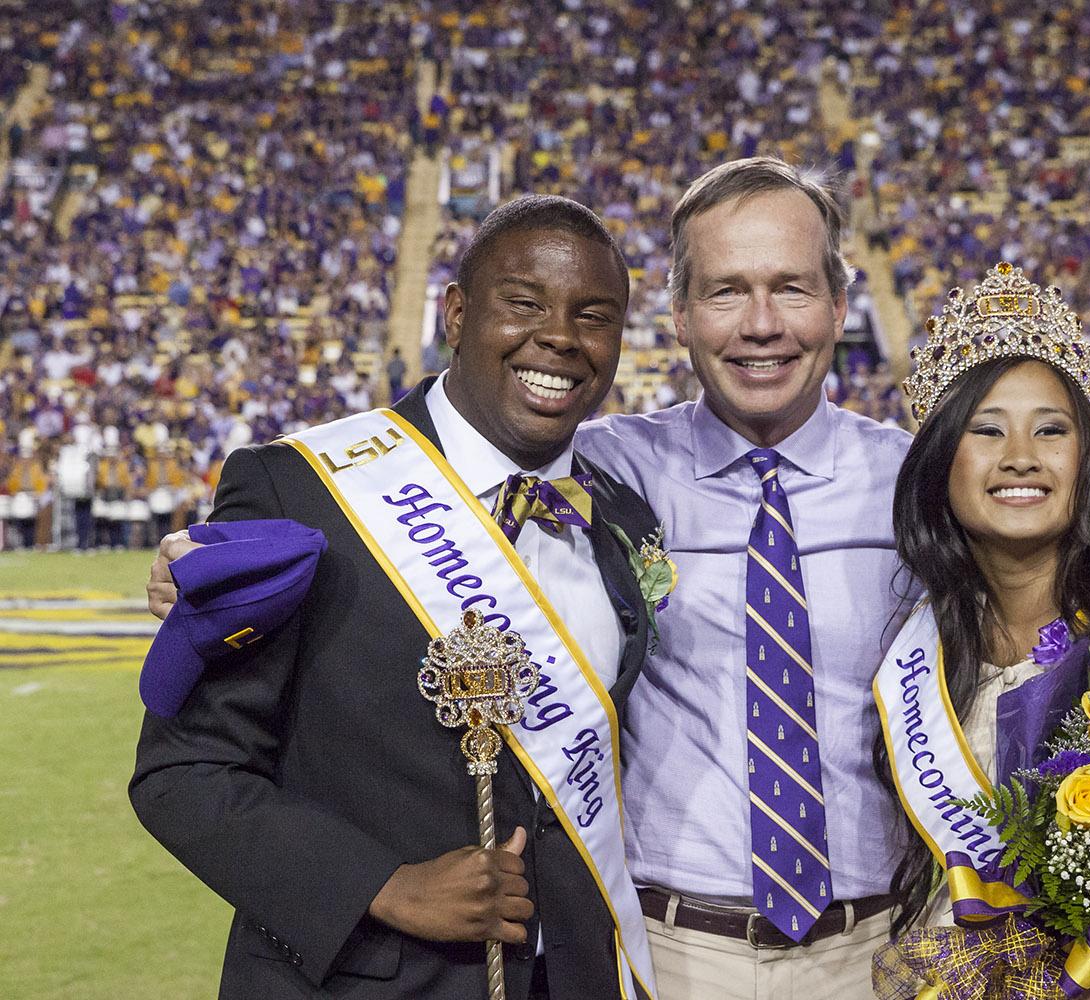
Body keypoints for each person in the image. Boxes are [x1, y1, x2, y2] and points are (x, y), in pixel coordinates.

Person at [131, 195, 662, 999]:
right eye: (523, 303)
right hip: (360, 978)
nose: (559, 336)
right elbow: (183, 772)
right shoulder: (302, 491)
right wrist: (385, 886)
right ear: (454, 312)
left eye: (594, 316)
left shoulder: (620, 517)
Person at [575, 157, 914, 999]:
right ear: (681, 316)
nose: (761, 324)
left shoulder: (917, 486)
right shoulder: (603, 468)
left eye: (792, 288)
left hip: (877, 955)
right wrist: (207, 560)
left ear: (839, 305)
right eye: (726, 292)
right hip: (670, 950)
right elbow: (414, 498)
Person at [870, 262, 1090, 999]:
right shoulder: (921, 644)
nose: (1020, 456)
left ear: (1086, 454)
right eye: (986, 430)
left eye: (1050, 430)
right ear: (941, 463)